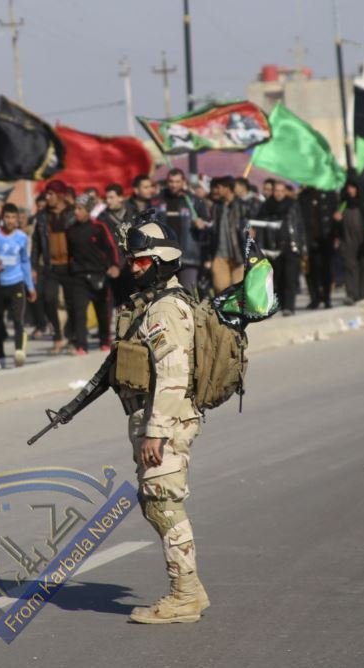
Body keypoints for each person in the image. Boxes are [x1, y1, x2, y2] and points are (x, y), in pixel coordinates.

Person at [114, 219, 209, 623]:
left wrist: (156, 431)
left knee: (164, 504)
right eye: (131, 260)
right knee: (154, 501)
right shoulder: (155, 303)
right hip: (158, 415)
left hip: (165, 419)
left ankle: (184, 596)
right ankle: (191, 590)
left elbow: (173, 373)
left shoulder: (166, 309)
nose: (133, 268)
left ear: (159, 262)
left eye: (140, 261)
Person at [0, 203, 36, 368]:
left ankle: (19, 352)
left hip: (16, 283)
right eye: (7, 217)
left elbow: (25, 262)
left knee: (18, 320)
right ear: (2, 218)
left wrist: (30, 286)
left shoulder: (22, 238)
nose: (10, 221)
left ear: (18, 219)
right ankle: (0, 357)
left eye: (13, 218)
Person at [66, 195, 121, 354]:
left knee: (102, 311)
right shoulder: (71, 230)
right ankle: (81, 345)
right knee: (79, 311)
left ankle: (104, 340)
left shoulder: (99, 227)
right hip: (79, 276)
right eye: (75, 208)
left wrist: (115, 266)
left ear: (88, 211)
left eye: (80, 209)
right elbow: (69, 253)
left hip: (99, 275)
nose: (76, 212)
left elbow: (111, 247)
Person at [32, 180, 76, 354]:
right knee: (48, 299)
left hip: (70, 266)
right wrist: (33, 266)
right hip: (50, 266)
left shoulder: (73, 213)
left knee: (72, 303)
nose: (47, 197)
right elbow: (36, 243)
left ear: (61, 195)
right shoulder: (42, 216)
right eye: (47, 194)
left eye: (51, 194)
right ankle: (57, 336)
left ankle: (71, 338)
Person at [258, 181, 307, 315]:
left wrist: (302, 247)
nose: (279, 193)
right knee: (277, 278)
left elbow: (299, 226)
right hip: (272, 248)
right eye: (276, 191)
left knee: (290, 277)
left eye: (281, 191)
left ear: (285, 192)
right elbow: (261, 228)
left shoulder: (293, 205)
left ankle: (289, 307)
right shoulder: (266, 206)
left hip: (290, 246)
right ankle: (279, 304)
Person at [159, 168, 210, 292]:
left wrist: (201, 225)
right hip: (164, 257)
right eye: (171, 181)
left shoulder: (194, 201)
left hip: (188, 257)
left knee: (188, 294)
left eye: (177, 182)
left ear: (183, 182)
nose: (174, 185)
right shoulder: (158, 200)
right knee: (165, 295)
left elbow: (207, 228)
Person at [298, 187, 339, 309]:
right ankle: (314, 298)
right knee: (310, 271)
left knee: (326, 269)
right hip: (309, 238)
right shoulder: (303, 196)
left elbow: (335, 216)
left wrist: (337, 235)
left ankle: (327, 298)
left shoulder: (329, 194)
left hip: (326, 238)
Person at [206, 176, 248, 292]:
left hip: (238, 254)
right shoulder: (216, 207)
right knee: (221, 288)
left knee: (238, 289)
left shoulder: (242, 206)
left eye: (219, 187)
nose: (217, 190)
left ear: (227, 188)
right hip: (219, 254)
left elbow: (249, 224)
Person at [336, 178, 364, 304]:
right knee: (350, 266)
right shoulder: (343, 204)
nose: (351, 190)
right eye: (349, 188)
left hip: (363, 240)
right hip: (347, 239)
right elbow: (337, 220)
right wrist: (337, 221)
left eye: (353, 188)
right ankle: (351, 294)